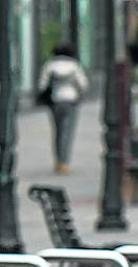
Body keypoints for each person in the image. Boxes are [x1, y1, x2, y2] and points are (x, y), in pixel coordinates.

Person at [37, 44, 90, 175]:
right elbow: (83, 84)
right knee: (68, 132)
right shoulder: (74, 65)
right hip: (71, 101)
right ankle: (64, 163)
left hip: (55, 101)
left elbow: (42, 85)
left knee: (58, 131)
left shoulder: (49, 65)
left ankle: (58, 161)